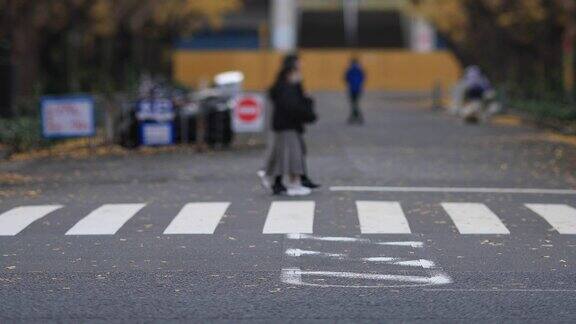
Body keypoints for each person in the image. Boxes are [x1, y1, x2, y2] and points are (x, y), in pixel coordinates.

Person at [258, 54, 320, 196]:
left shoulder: (286, 85)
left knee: (284, 154)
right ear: (291, 70)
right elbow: (292, 106)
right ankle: (291, 183)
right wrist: (308, 110)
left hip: (286, 124)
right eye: (298, 65)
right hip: (287, 125)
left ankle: (278, 181)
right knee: (292, 154)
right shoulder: (287, 87)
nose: (301, 68)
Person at [345, 57, 366, 124]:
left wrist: (350, 82)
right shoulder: (360, 70)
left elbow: (346, 78)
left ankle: (356, 116)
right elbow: (363, 78)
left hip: (352, 88)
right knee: (355, 103)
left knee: (354, 103)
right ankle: (354, 116)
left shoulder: (350, 70)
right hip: (358, 89)